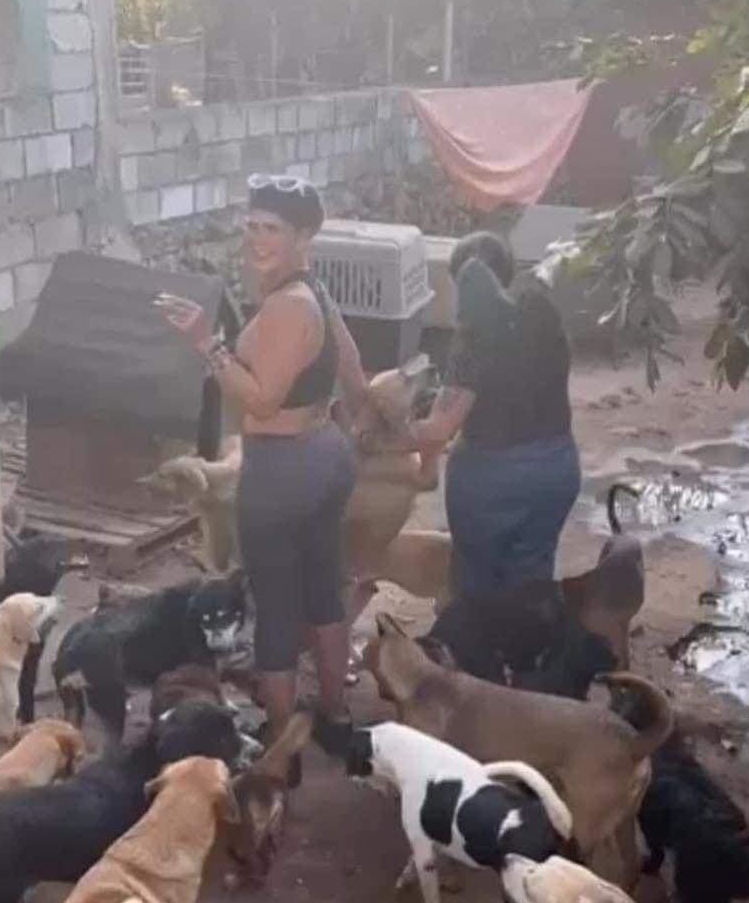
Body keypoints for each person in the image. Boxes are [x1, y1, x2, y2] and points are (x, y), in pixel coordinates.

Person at [155, 174, 366, 769]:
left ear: (304, 237)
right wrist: (350, 424)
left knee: (276, 610)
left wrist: (208, 343)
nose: (256, 239)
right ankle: (335, 715)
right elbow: (353, 369)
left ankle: (280, 747)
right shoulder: (314, 291)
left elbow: (262, 400)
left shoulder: (289, 306)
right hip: (325, 455)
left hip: (281, 469)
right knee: (322, 591)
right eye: (250, 226)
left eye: (271, 228)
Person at [374, 230, 580, 601]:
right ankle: (528, 635)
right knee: (531, 580)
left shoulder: (474, 337)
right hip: (555, 468)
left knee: (476, 584)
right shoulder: (541, 312)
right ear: (508, 272)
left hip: (492, 478)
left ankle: (477, 636)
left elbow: (440, 428)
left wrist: (382, 439)